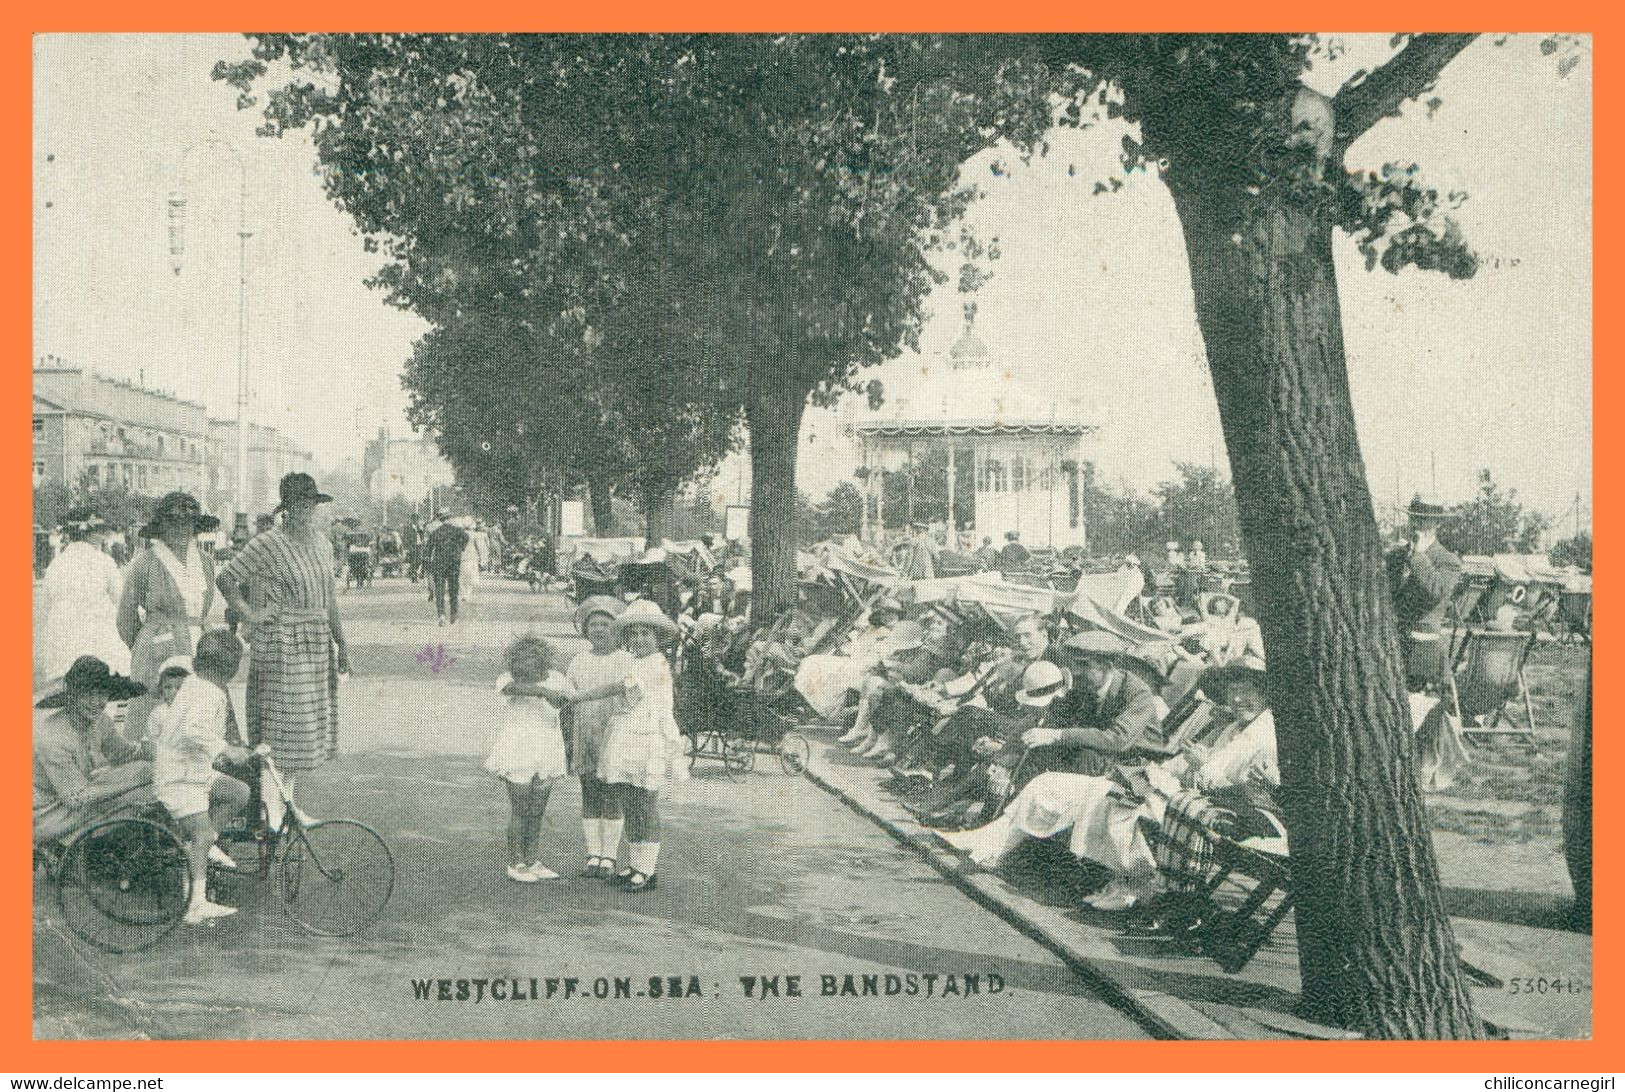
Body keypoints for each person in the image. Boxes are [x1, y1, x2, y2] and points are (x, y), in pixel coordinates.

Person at [941, 664, 1278, 912]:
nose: (1237, 700)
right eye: (1234, 692)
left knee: (1106, 801)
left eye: (1247, 693)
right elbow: (1180, 764)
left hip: (1204, 808)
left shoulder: (1259, 735)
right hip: (1171, 788)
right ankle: (995, 843)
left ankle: (1127, 883)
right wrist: (1162, 770)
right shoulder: (1234, 726)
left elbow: (1229, 787)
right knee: (1050, 783)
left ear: (1265, 695)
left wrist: (1197, 764)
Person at [215, 472, 350, 819]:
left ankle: (286, 806)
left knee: (301, 738)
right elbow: (226, 578)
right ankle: (270, 815)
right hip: (281, 647)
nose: (306, 511)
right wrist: (250, 613)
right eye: (298, 505)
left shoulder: (322, 543)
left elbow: (330, 600)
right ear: (285, 509)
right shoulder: (268, 544)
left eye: (311, 504)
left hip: (316, 643)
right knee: (278, 736)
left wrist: (342, 642)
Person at [152, 630, 255, 923]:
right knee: (201, 833)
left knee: (239, 792)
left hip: (192, 772)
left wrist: (225, 750)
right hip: (179, 779)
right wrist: (226, 749)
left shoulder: (197, 685)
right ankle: (196, 904)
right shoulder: (208, 692)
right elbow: (193, 731)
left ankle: (205, 847)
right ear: (230, 667)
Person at [586, 599, 687, 892]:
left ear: (658, 637)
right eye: (635, 634)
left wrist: (580, 697)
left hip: (647, 738)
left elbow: (618, 689)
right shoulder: (636, 662)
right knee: (630, 802)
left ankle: (647, 869)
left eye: (646, 634)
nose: (640, 639)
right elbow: (623, 694)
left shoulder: (656, 664)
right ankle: (636, 864)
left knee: (645, 804)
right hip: (629, 735)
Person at [117, 493, 220, 741]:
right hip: (157, 651)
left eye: (187, 523)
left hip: (197, 646)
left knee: (196, 717)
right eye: (173, 522)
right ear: (161, 526)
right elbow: (125, 618)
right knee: (157, 721)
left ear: (195, 526)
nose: (180, 529)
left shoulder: (205, 562)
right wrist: (145, 643)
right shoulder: (146, 563)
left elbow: (204, 609)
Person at [1014, 630, 1164, 787]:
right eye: (1075, 664)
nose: (1076, 671)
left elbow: (1118, 740)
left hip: (1133, 768)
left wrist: (1057, 735)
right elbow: (1057, 719)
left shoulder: (1138, 693)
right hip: (1100, 754)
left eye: (1084, 665)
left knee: (1084, 761)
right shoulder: (1086, 685)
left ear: (1106, 666)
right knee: (1042, 751)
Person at [33, 656, 153, 845]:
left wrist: (159, 752)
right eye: (88, 694)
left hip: (80, 801)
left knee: (148, 779)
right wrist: (139, 779)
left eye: (102, 693)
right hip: (49, 816)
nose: (96, 702)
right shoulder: (52, 737)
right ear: (71, 695)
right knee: (139, 796)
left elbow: (125, 754)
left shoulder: (100, 721)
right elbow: (77, 798)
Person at [486, 635, 576, 883]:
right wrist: (543, 692)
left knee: (537, 810)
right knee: (520, 809)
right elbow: (512, 688)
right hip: (519, 752)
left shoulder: (557, 679)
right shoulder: (508, 679)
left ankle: (532, 859)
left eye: (535, 662)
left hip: (547, 751)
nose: (529, 668)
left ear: (544, 662)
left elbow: (571, 701)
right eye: (523, 662)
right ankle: (515, 863)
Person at [566, 596, 632, 879]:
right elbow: (569, 697)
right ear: (585, 629)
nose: (599, 630)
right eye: (593, 624)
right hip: (586, 731)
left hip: (615, 732)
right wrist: (568, 736)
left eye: (606, 624)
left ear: (617, 629)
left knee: (612, 793)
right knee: (589, 791)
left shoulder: (627, 660)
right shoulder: (579, 660)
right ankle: (593, 853)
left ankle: (609, 856)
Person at [40, 507, 129, 687]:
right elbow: (122, 602)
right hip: (97, 646)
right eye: (100, 531)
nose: (103, 536)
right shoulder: (104, 562)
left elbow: (46, 608)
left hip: (61, 648)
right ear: (93, 535)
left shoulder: (55, 565)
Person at [1385, 495, 1462, 690]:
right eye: (1413, 518)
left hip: (1422, 649)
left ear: (1436, 523)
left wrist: (1418, 557)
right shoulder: (1396, 556)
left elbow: (1436, 590)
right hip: (1390, 644)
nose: (1416, 524)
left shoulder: (1448, 561)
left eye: (1423, 519)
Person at [424, 512, 470, 625]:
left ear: (440, 520)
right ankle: (454, 614)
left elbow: (428, 549)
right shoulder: (457, 530)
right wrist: (461, 548)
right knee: (453, 589)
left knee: (439, 590)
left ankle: (442, 615)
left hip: (439, 563)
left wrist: (428, 559)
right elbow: (466, 537)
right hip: (454, 563)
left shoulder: (436, 532)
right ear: (449, 519)